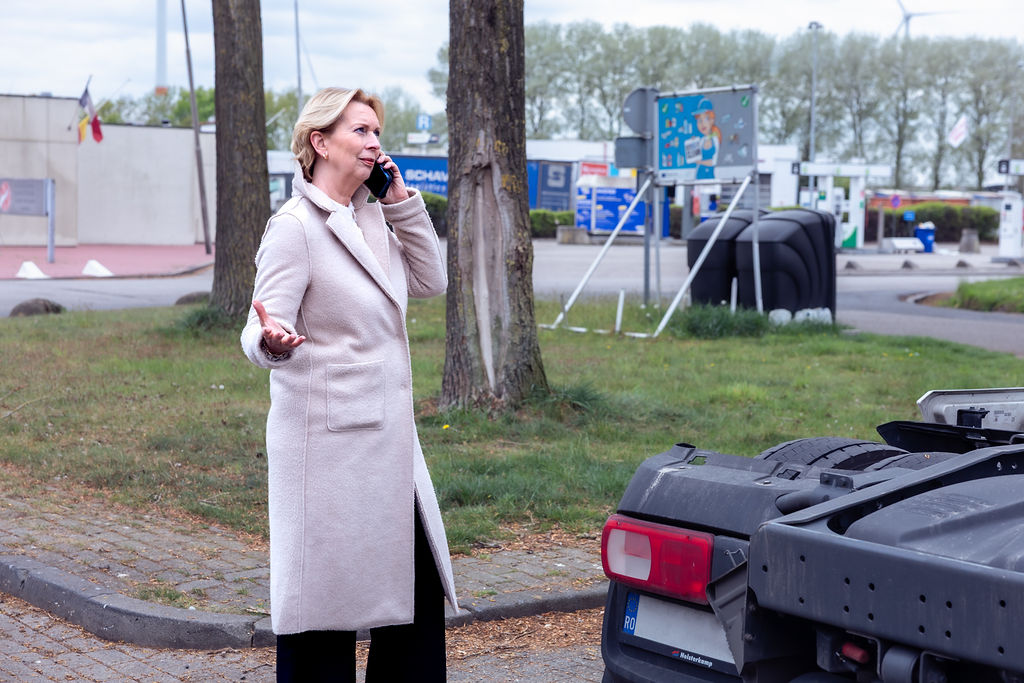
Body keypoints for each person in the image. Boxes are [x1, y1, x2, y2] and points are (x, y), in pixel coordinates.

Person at [240, 87, 457, 682]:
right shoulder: (295, 226)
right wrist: (271, 341)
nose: (374, 143)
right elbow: (258, 326)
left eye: (376, 133)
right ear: (319, 142)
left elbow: (431, 280)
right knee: (321, 616)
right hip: (327, 448)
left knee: (415, 599)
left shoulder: (373, 217)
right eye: (360, 131)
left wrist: (401, 200)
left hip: (387, 443)